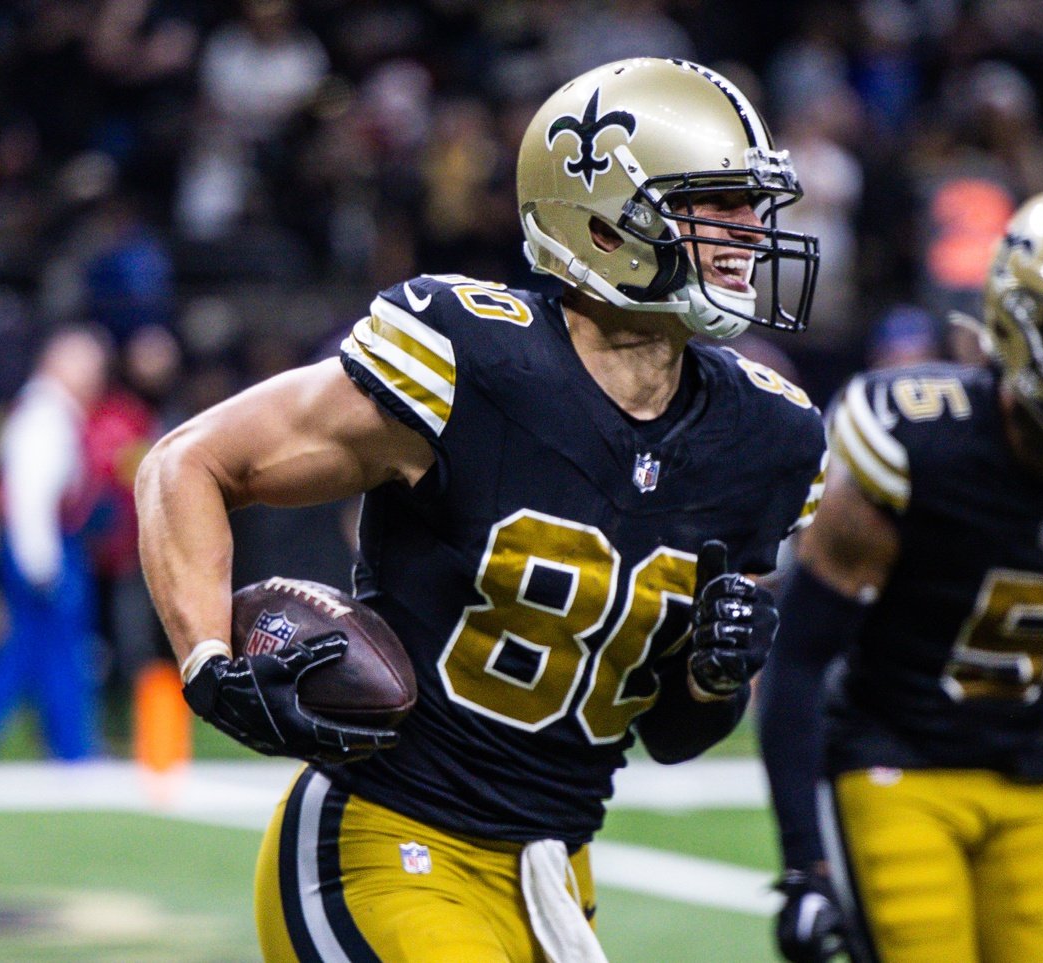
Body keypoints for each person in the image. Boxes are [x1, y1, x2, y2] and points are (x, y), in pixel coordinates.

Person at [136, 58, 826, 963]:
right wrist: (206, 662)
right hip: (387, 842)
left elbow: (670, 735)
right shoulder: (476, 361)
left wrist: (714, 675)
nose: (750, 231)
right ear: (608, 219)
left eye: (753, 203)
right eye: (718, 202)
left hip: (558, 876)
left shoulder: (765, 433)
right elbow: (187, 462)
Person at [758, 187, 1043, 963]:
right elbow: (798, 657)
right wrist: (805, 865)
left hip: (1024, 769)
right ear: (1020, 330)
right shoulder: (915, 443)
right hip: (888, 761)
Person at [0, 327, 111, 761]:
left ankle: (71, 746)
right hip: (44, 549)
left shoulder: (56, 412)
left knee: (38, 653)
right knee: (46, 654)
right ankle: (73, 750)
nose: (95, 375)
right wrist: (41, 562)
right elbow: (29, 496)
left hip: (49, 547)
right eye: (86, 364)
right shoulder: (44, 414)